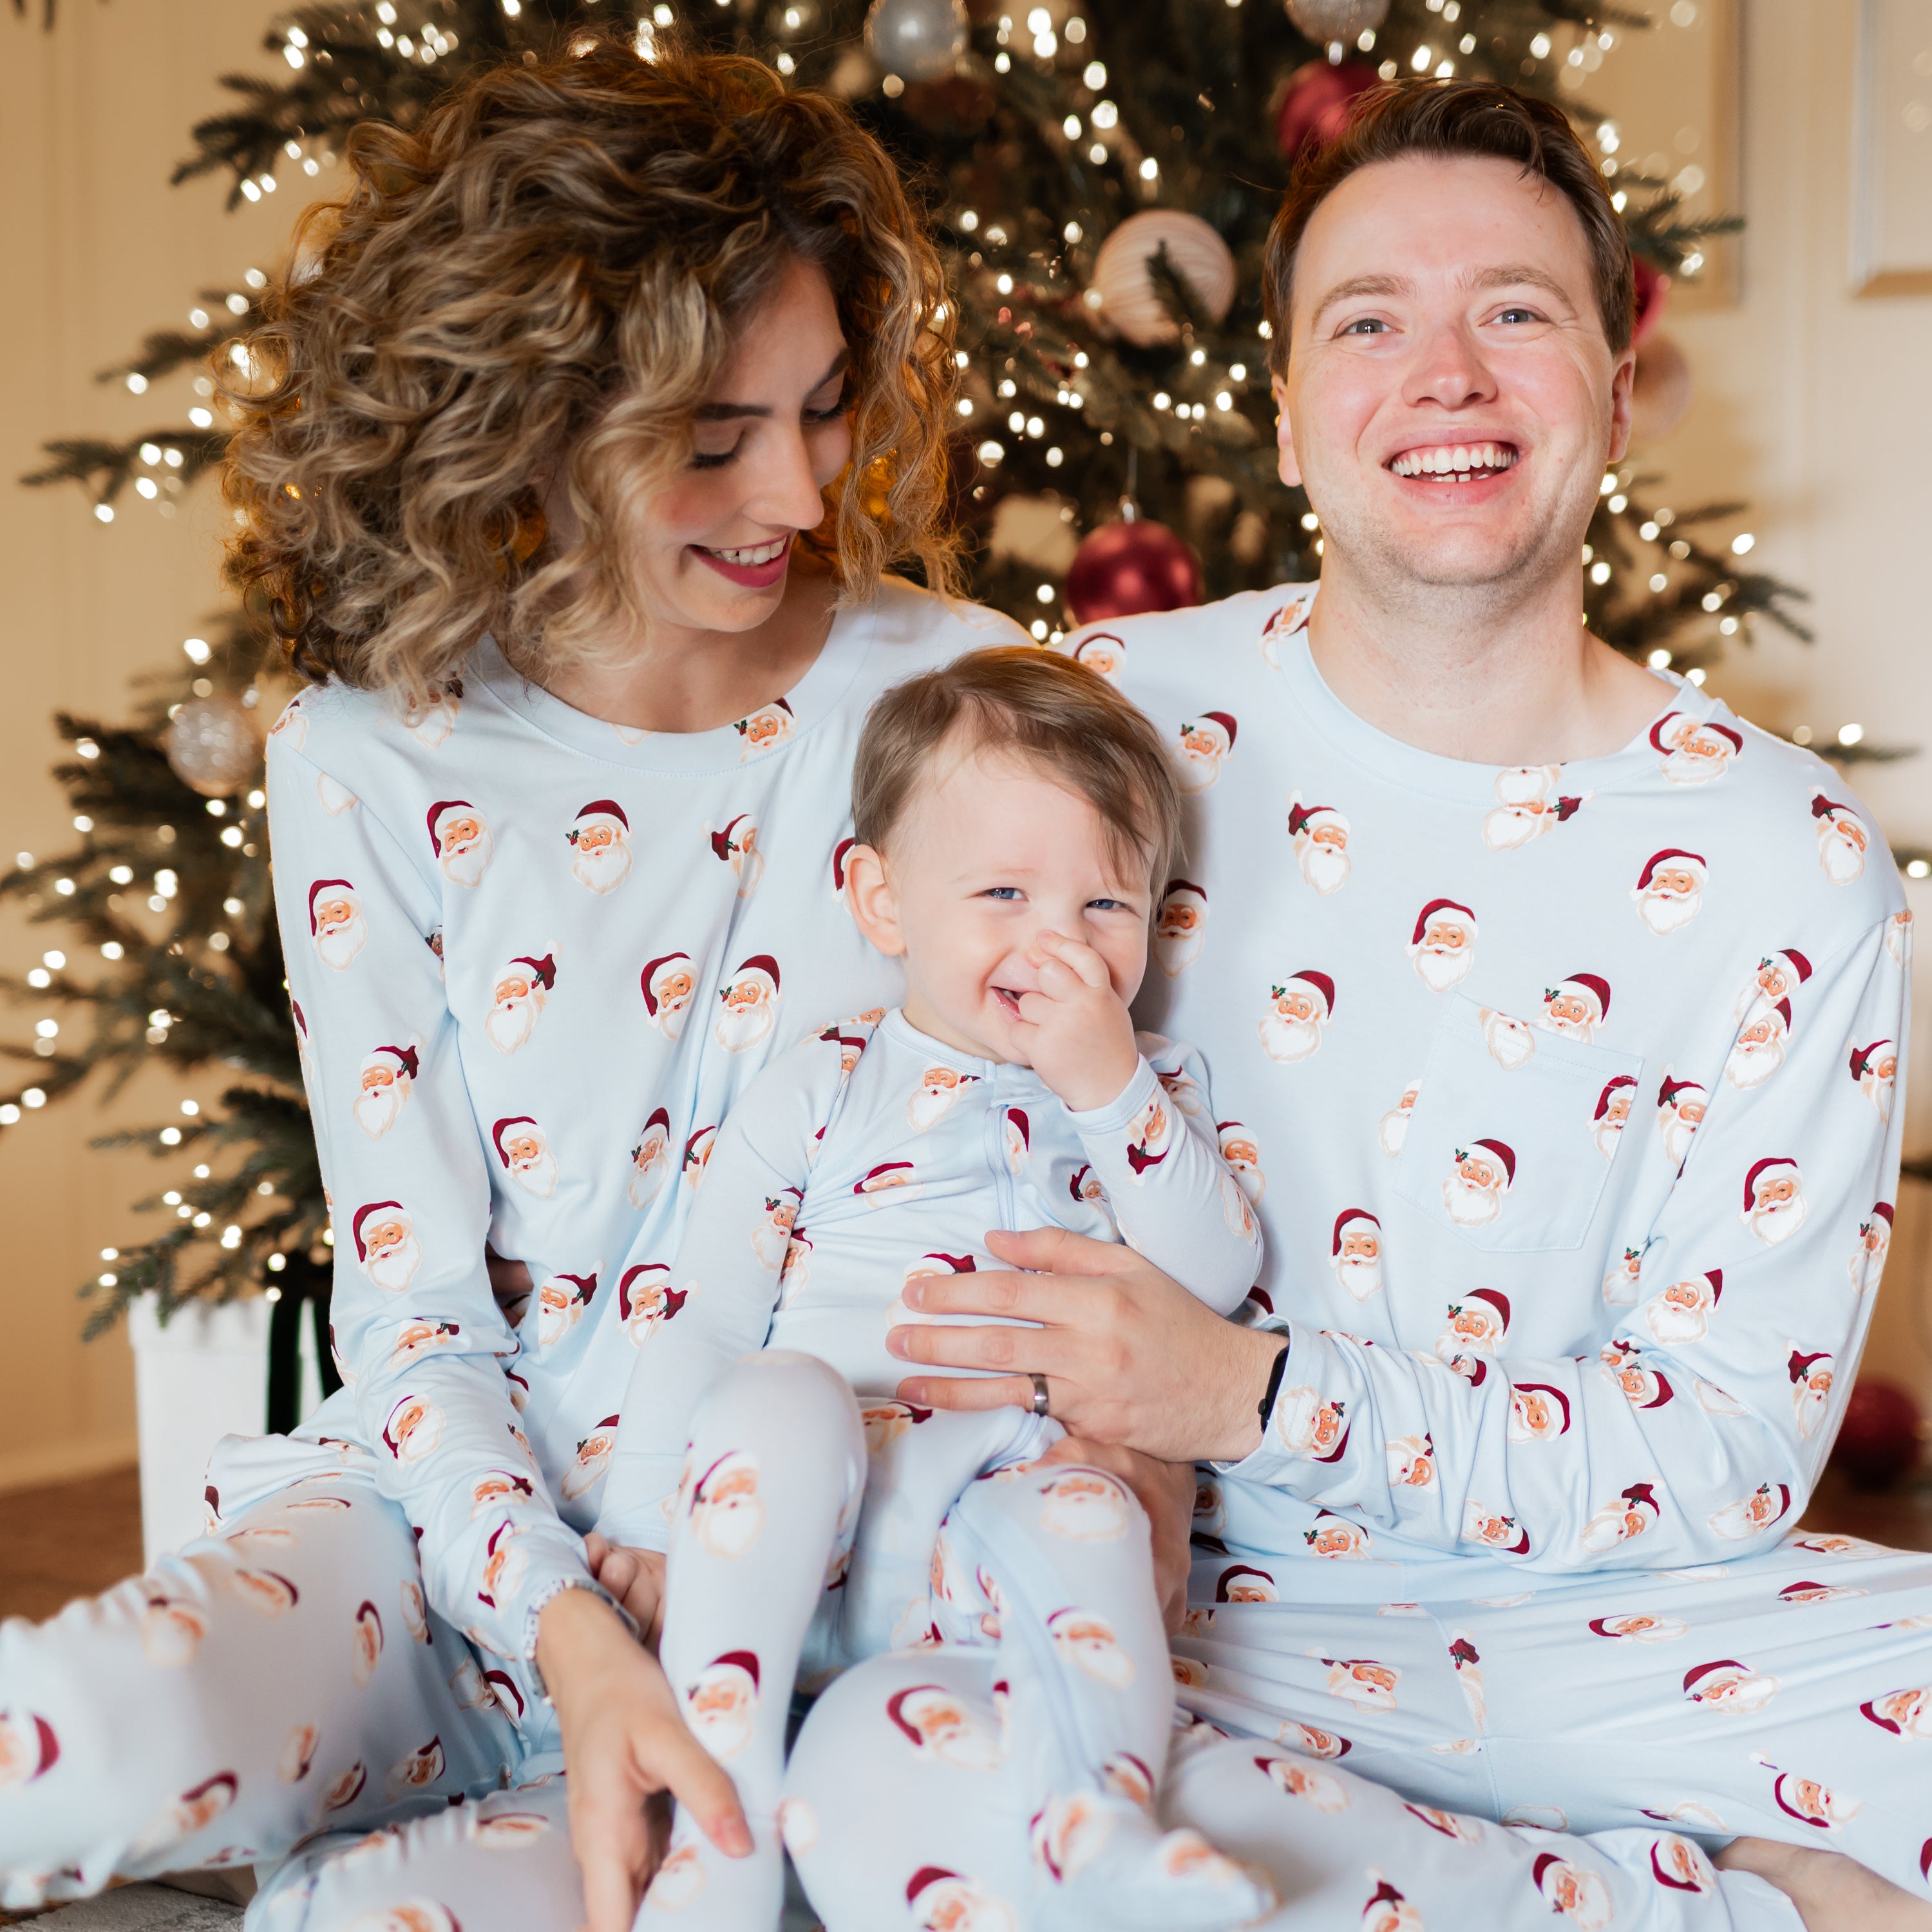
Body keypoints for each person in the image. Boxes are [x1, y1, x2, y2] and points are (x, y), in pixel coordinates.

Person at [876, 80, 1931, 1932]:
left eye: (1515, 311)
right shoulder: (1109, 724)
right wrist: (1143, 1461)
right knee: (944, 1796)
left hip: (1622, 1620)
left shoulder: (1792, 860)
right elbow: (926, 1170)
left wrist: (1259, 1393)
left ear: (1611, 396)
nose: (1445, 371)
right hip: (1185, 1602)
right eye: (1370, 320)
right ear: (1286, 417)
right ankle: (1703, 1903)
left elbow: (1726, 1452)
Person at [596, 649, 1270, 1931]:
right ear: (883, 899)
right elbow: (706, 1306)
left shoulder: (1150, 1091)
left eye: (1104, 910)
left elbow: (1214, 1272)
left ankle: (1096, 1825)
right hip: (812, 1528)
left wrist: (1106, 1085)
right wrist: (643, 1519)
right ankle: (717, 1830)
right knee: (778, 1394)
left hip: (993, 1546)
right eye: (1005, 893)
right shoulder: (830, 1080)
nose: (1056, 949)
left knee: (1094, 1513)